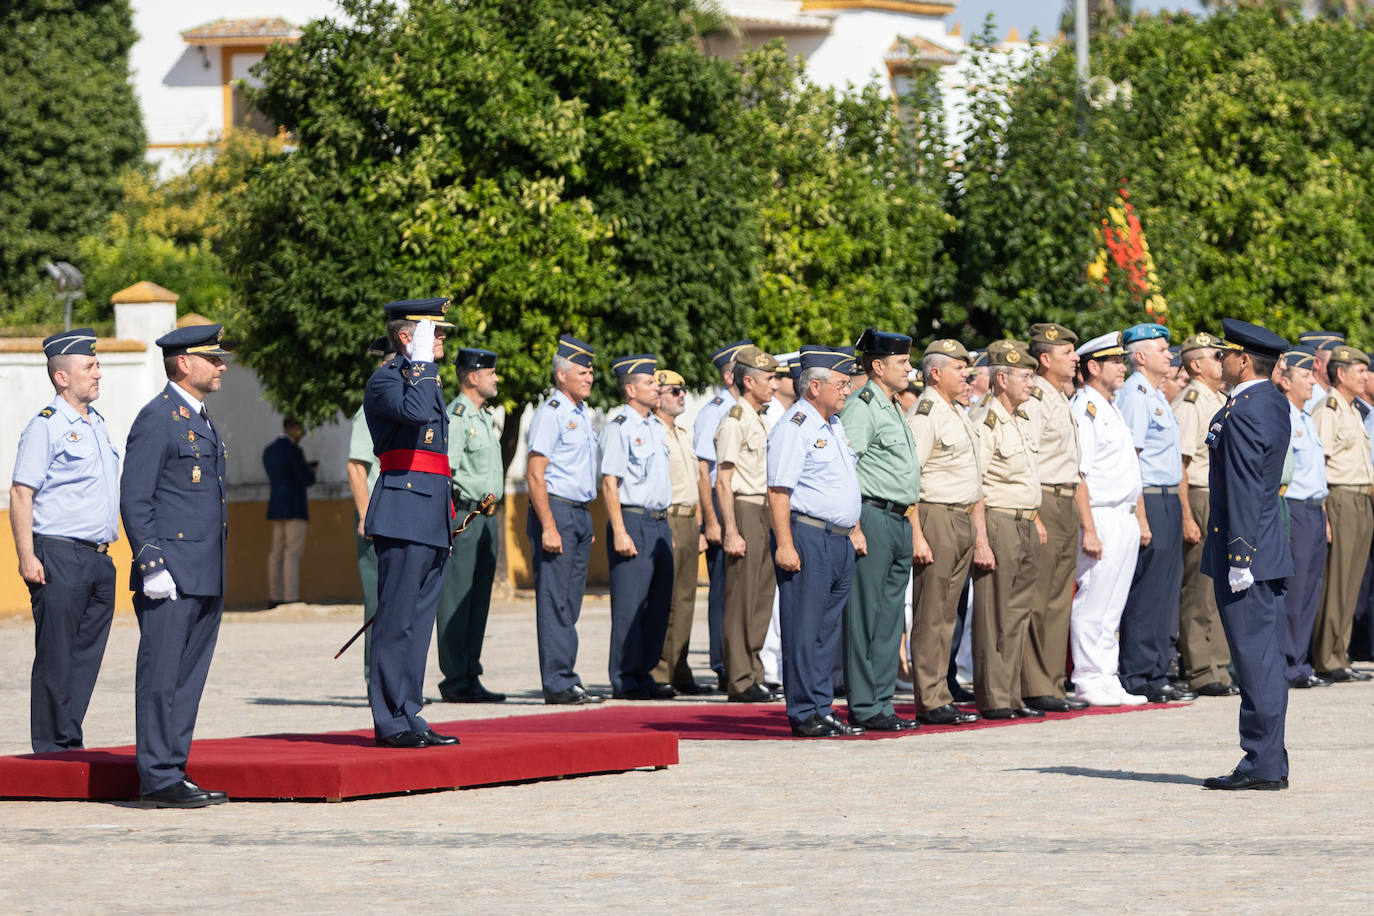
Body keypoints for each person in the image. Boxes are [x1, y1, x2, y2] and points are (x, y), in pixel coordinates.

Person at [120, 323, 233, 807]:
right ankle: (157, 776)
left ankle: (173, 769)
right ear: (184, 363)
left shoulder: (200, 418)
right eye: (213, 358)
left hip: (205, 570)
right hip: (171, 573)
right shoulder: (158, 417)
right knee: (162, 677)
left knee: (188, 680)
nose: (222, 366)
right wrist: (151, 566)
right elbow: (135, 498)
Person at [10, 328, 120, 754]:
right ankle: (50, 750)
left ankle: (69, 740)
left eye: (97, 365)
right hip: (59, 553)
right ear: (62, 377)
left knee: (85, 658)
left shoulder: (98, 424)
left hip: (99, 558)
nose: (98, 372)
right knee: (56, 656)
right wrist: (26, 556)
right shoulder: (47, 426)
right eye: (89, 366)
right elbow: (22, 492)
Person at [362, 298, 460, 749]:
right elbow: (416, 413)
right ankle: (389, 720)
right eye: (432, 332)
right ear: (407, 337)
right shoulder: (387, 379)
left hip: (431, 511)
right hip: (403, 511)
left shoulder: (424, 378)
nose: (440, 339)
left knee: (419, 625)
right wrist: (420, 362)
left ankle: (409, 712)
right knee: (396, 621)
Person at [1201, 320, 1294, 791]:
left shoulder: (1244, 411)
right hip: (1266, 547)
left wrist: (1239, 559)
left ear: (1243, 360)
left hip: (1248, 553)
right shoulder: (1271, 402)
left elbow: (1243, 489)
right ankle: (1269, 759)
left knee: (1255, 662)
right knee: (1265, 660)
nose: (1220, 361)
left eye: (1224, 354)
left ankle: (1261, 763)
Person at [768, 346, 865, 737]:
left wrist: (854, 528)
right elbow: (779, 491)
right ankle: (804, 711)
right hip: (808, 536)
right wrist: (785, 544)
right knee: (804, 630)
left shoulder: (833, 424)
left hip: (838, 539)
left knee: (826, 632)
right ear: (814, 387)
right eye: (841, 384)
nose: (847, 390)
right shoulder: (795, 426)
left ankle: (822, 707)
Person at [838, 329, 921, 731]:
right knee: (865, 617)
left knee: (890, 619)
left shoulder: (891, 405)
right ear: (877, 366)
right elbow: (846, 467)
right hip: (871, 516)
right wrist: (853, 526)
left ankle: (882, 702)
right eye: (902, 362)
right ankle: (864, 704)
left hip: (898, 518)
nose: (909, 368)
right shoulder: (863, 405)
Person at [1116, 323, 1196, 703]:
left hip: (1167, 497)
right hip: (1148, 496)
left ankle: (1157, 670)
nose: (1169, 355)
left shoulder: (1156, 395)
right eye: (1161, 349)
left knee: (1165, 590)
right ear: (1140, 356)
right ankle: (1139, 674)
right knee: (1147, 591)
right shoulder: (1136, 395)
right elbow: (1131, 459)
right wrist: (1140, 515)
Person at [906, 339, 983, 726]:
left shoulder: (956, 411)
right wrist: (917, 534)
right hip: (936, 516)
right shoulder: (926, 413)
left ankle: (941, 691)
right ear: (935, 373)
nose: (966, 375)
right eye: (959, 368)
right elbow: (911, 477)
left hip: (961, 516)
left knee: (948, 613)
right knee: (931, 613)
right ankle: (930, 698)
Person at [1069, 332, 1146, 707]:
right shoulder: (1086, 408)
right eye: (1115, 362)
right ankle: (1087, 678)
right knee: (1093, 601)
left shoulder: (1109, 406)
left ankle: (1107, 675)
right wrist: (1089, 529)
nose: (1122, 367)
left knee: (1113, 603)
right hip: (1101, 513)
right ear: (1093, 367)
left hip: (1122, 514)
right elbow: (1080, 475)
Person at [968, 340, 1043, 719]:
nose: (1031, 384)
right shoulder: (986, 421)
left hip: (1025, 522)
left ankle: (1012, 694)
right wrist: (981, 540)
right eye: (1024, 377)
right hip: (998, 521)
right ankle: (994, 696)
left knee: (1019, 613)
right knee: (994, 613)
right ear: (1001, 379)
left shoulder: (1022, 418)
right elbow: (976, 484)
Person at [527, 334, 604, 704]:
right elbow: (534, 474)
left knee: (570, 602)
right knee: (555, 600)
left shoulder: (581, 415)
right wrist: (549, 525)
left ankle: (566, 676)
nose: (589, 377)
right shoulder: (551, 413)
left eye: (590, 372)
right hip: (556, 510)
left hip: (578, 512)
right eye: (582, 371)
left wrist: (583, 522)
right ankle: (558, 682)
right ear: (561, 375)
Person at [1020, 322, 1090, 713]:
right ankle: (1035, 684)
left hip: (1065, 499)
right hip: (1044, 497)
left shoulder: (1060, 396)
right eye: (1067, 352)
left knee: (1060, 598)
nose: (1075, 358)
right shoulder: (1035, 397)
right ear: (1045, 359)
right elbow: (1028, 458)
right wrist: (1034, 512)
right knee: (1040, 597)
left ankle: (1052, 682)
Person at [600, 354, 676, 700]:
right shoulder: (620, 426)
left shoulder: (654, 427)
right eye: (649, 382)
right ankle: (625, 677)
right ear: (630, 389)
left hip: (659, 523)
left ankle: (644, 673)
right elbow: (610, 482)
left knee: (657, 604)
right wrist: (619, 530)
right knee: (630, 605)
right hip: (632, 520)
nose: (656, 387)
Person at [436, 347, 505, 703]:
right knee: (456, 600)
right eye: (490, 373)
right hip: (465, 517)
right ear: (473, 377)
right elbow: (445, 474)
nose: (496, 378)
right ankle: (455, 679)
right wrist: (445, 525)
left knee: (478, 603)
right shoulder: (458, 416)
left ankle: (470, 673)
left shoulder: (483, 416)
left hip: (487, 518)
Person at [715, 345, 781, 703]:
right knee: (742, 596)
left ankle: (754, 671)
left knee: (761, 596)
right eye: (769, 378)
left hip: (764, 510)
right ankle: (739, 678)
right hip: (744, 508)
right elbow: (723, 480)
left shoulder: (759, 417)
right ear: (749, 381)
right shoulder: (735, 420)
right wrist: (730, 530)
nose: (775, 384)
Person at [1172, 333, 1237, 696]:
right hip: (1200, 495)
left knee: (1220, 585)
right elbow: (1180, 465)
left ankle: (1219, 666)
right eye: (1216, 356)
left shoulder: (1220, 399)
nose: (1222, 361)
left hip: (1221, 496)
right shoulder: (1191, 402)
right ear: (1196, 364)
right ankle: (1199, 668)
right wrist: (1186, 515)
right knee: (1199, 587)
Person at [1308, 343, 1374, 682]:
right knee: (1337, 580)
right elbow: (1317, 463)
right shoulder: (1329, 408)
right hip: (1341, 497)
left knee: (1352, 581)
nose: (1365, 376)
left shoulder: (1351, 409)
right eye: (1360, 371)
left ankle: (1339, 652)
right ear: (1341, 373)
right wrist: (1324, 512)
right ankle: (1327, 657)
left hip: (1361, 498)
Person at [695, 339, 753, 691]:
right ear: (732, 375)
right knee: (722, 589)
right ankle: (722, 664)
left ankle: (740, 661)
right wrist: (711, 521)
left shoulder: (746, 411)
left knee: (742, 589)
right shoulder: (716, 410)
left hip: (741, 502)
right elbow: (704, 471)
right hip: (720, 503)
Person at [1275, 346, 1331, 689]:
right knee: (1294, 592)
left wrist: (1323, 514)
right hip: (1293, 507)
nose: (1312, 381)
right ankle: (1288, 663)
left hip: (1313, 508)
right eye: (1305, 375)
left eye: (1312, 374)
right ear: (1285, 381)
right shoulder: (1284, 417)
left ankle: (1300, 661)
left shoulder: (1306, 417)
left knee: (1311, 590)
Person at [651, 368, 709, 694]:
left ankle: (679, 667)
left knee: (686, 599)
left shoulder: (683, 434)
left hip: (689, 518)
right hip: (669, 517)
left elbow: (695, 483)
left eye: (682, 391)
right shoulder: (654, 432)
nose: (681, 396)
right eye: (674, 391)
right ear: (658, 396)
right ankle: (660, 672)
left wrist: (700, 526)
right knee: (666, 598)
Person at [346, 336, 391, 686]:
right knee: (379, 602)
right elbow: (356, 466)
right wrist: (365, 515)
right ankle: (375, 677)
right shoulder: (370, 409)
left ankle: (393, 678)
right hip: (377, 517)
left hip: (395, 515)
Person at [262, 417, 316, 608]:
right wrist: (312, 472)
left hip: (276, 506)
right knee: (292, 552)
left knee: (276, 552)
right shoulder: (294, 450)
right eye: (300, 430)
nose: (302, 435)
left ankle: (274, 595)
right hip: (294, 506)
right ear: (293, 428)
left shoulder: (269, 450)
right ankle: (290, 596)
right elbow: (305, 478)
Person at [1298, 331, 1344, 413]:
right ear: (1316, 363)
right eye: (1334, 362)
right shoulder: (1308, 397)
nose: (1340, 368)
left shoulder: (1331, 394)